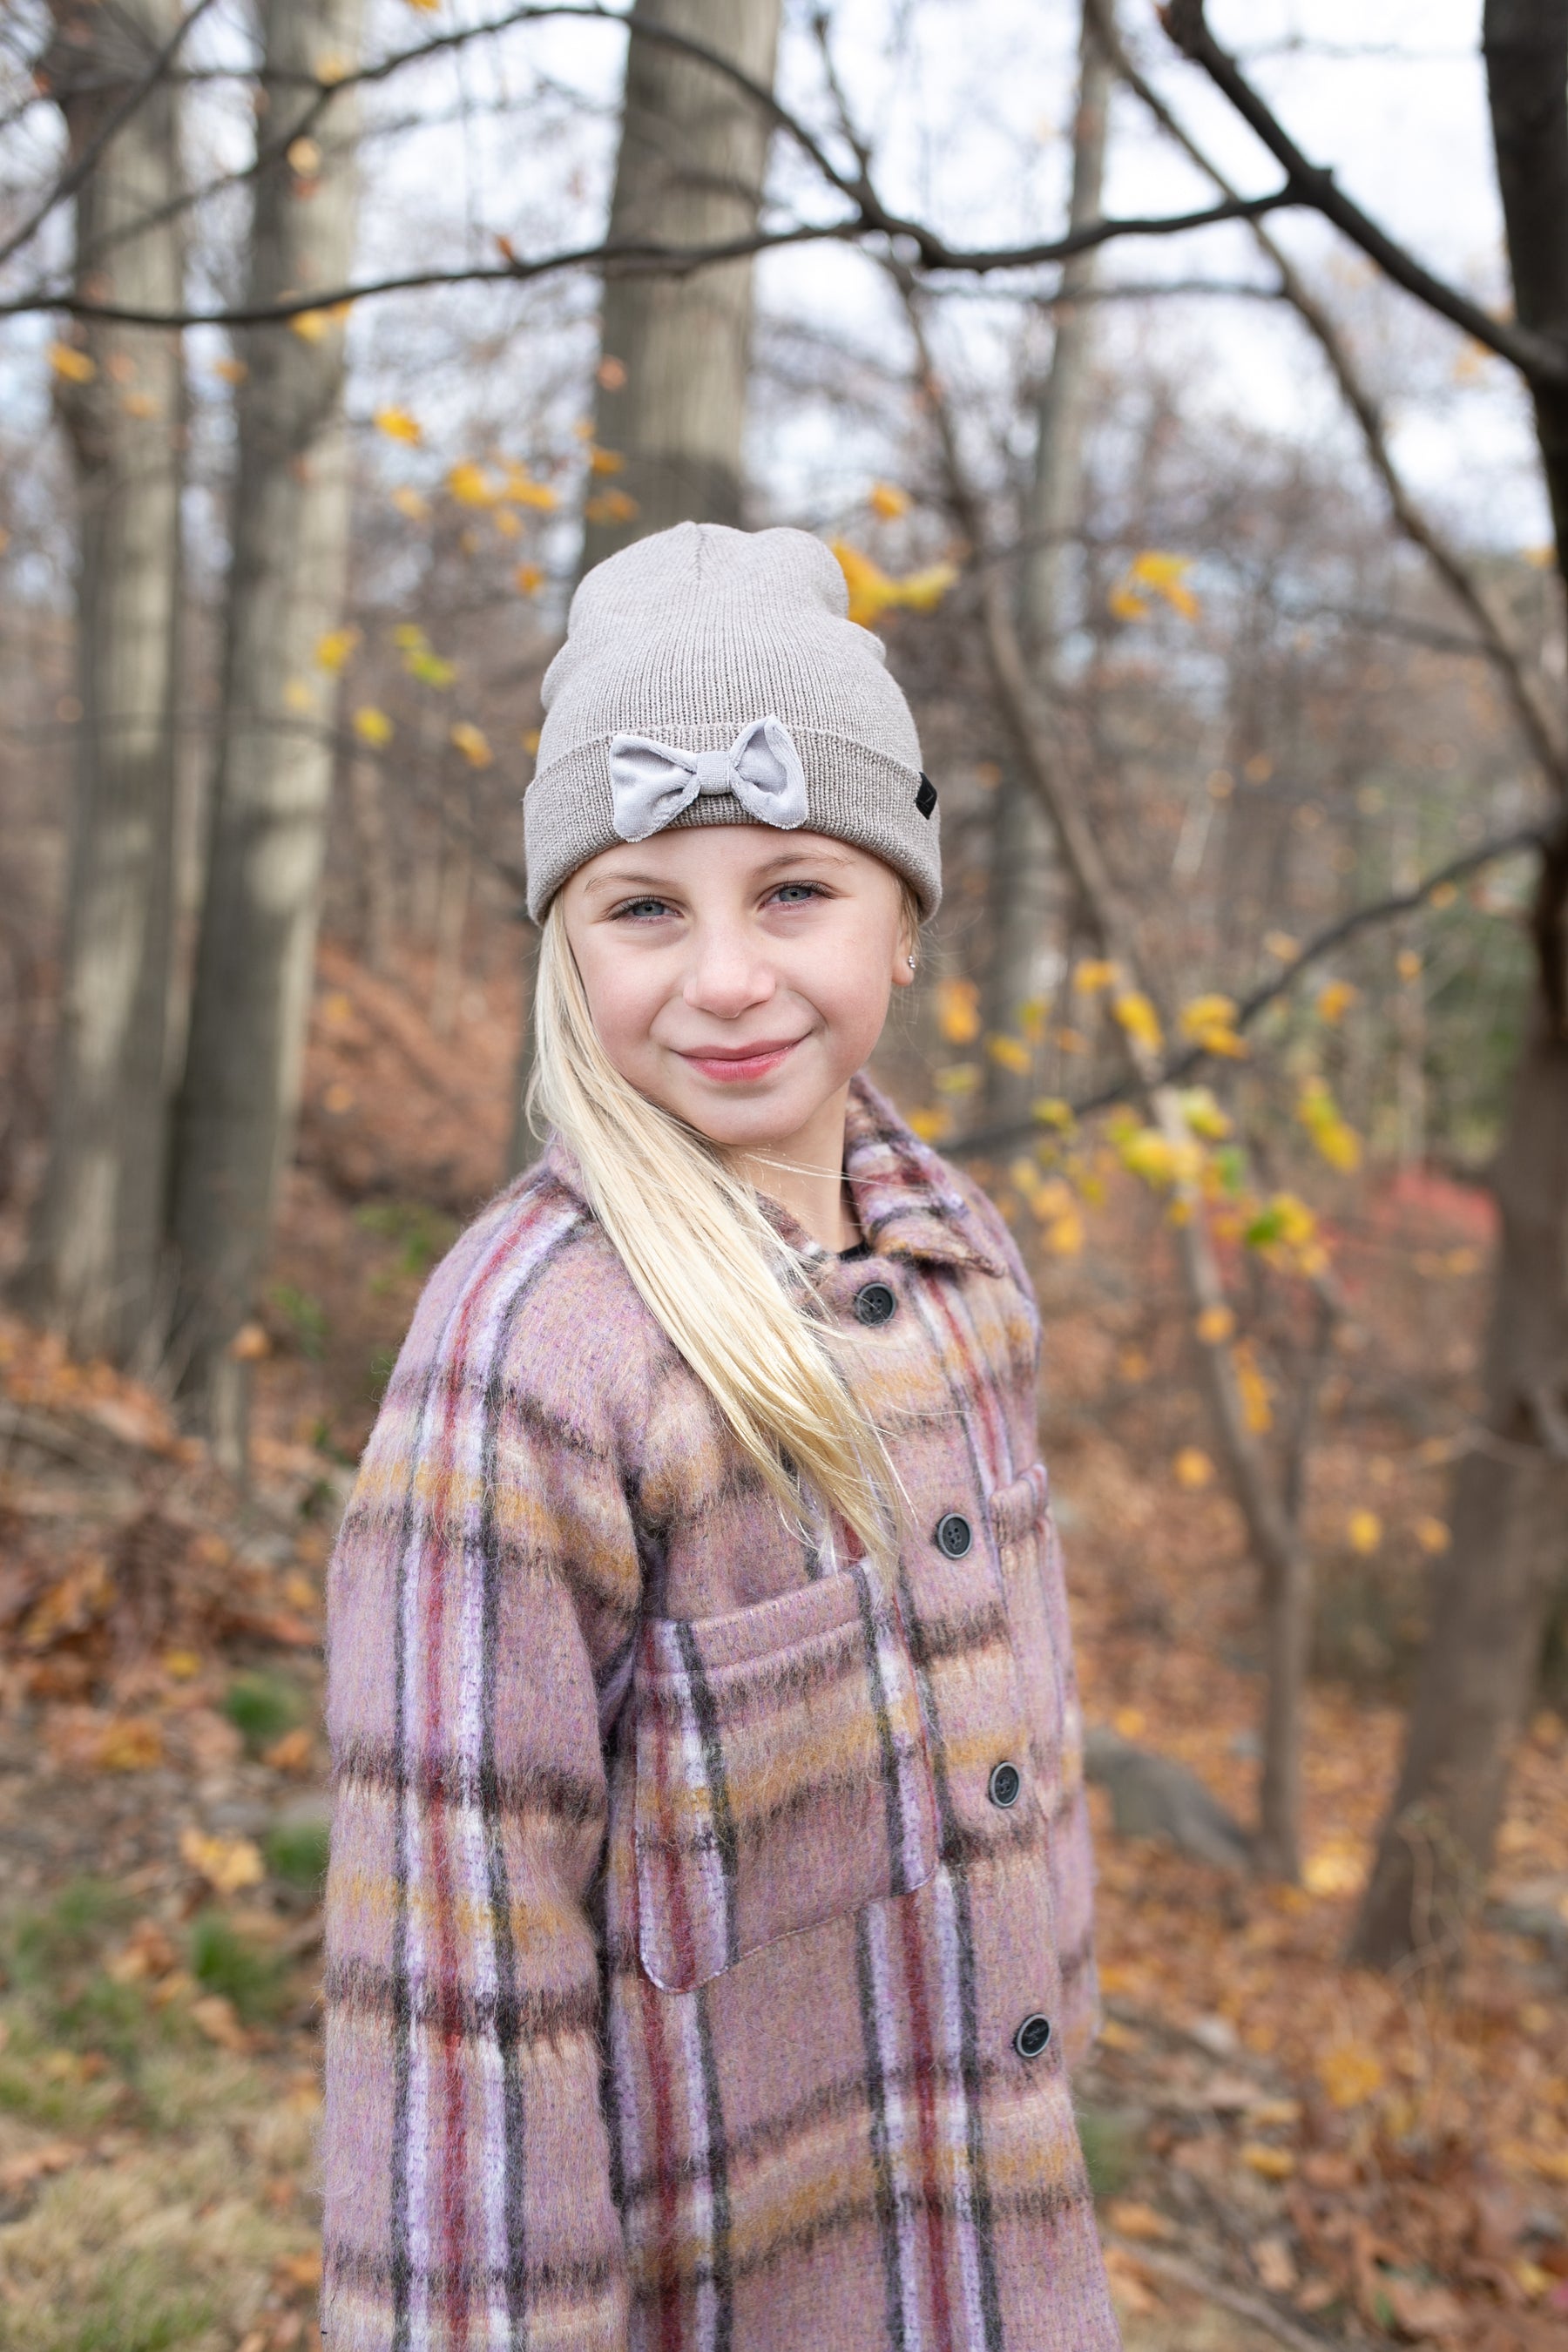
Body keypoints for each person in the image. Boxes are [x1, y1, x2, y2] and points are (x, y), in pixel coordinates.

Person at [320, 523, 1121, 2351]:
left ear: (907, 918)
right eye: (647, 906)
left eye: (795, 891)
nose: (730, 979)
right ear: (563, 945)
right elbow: (455, 1988)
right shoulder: (531, 1364)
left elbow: (1030, 1711)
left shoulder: (959, 1266)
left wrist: (1053, 1999)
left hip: (994, 2250)